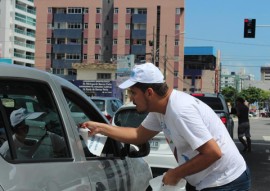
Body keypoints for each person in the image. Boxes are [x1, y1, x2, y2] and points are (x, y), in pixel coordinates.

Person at [81, 62, 251, 191]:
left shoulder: (180, 110)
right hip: (204, 180)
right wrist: (101, 128)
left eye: (133, 93)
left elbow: (213, 153)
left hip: (226, 182)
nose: (131, 98)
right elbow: (138, 135)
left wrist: (175, 173)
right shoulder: (159, 109)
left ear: (149, 92)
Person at [0, 108, 65, 159]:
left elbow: (71, 144)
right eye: (34, 122)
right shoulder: (6, 151)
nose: (40, 125)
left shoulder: (47, 136)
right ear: (22, 129)